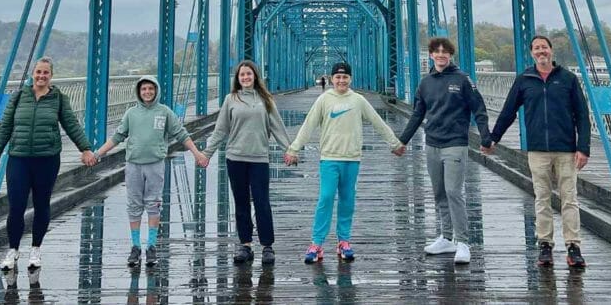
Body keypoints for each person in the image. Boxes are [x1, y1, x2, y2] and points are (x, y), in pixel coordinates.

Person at [283, 62, 404, 264]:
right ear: (331, 79)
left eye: (345, 77)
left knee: (347, 200)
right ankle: (317, 243)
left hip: (352, 158)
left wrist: (394, 143)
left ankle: (344, 241)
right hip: (329, 157)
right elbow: (308, 125)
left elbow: (378, 122)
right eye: (337, 77)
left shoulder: (358, 100)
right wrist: (294, 148)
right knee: (326, 198)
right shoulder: (324, 99)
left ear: (350, 79)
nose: (341, 81)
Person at [0, 57, 97, 272]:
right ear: (32, 74)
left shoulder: (59, 99)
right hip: (18, 158)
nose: (41, 76)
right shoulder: (18, 97)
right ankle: (13, 250)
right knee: (16, 206)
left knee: (41, 204)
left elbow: (71, 125)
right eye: (38, 72)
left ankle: (36, 249)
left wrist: (85, 149)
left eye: (45, 73)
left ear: (51, 76)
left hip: (46, 159)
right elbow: (5, 127)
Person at [490, 35, 590, 269]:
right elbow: (508, 111)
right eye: (536, 48)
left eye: (544, 47)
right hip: (537, 151)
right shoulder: (524, 79)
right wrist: (494, 138)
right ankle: (545, 244)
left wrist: (583, 147)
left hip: (566, 149)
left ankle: (573, 246)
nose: (541, 51)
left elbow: (582, 115)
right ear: (532, 53)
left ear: (551, 51)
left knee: (570, 199)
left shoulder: (568, 79)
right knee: (542, 199)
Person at [95, 75, 209, 268]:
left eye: (150, 89)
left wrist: (198, 154)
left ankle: (152, 246)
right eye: (143, 89)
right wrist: (97, 154)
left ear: (156, 90)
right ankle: (136, 246)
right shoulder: (131, 113)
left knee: (154, 204)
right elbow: (117, 136)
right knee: (134, 204)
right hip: (133, 165)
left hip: (155, 164)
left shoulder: (164, 112)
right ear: (139, 92)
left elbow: (181, 133)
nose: (147, 92)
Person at [398, 36, 493, 265]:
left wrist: (486, 137)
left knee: (453, 192)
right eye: (436, 51)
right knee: (439, 192)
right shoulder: (425, 83)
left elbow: (478, 109)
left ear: (450, 55)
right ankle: (446, 237)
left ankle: (463, 242)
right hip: (432, 143)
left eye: (445, 52)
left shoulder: (462, 80)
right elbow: (417, 114)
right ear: (431, 54)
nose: (441, 55)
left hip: (455, 143)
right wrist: (402, 141)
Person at [204, 60, 291, 266]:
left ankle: (267, 246)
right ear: (238, 78)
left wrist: (289, 149)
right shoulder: (230, 99)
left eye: (249, 75)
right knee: (241, 202)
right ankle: (245, 245)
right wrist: (207, 153)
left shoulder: (265, 99)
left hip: (259, 158)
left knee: (262, 202)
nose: (245, 78)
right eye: (242, 75)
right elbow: (221, 129)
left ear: (255, 77)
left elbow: (277, 127)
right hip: (235, 158)